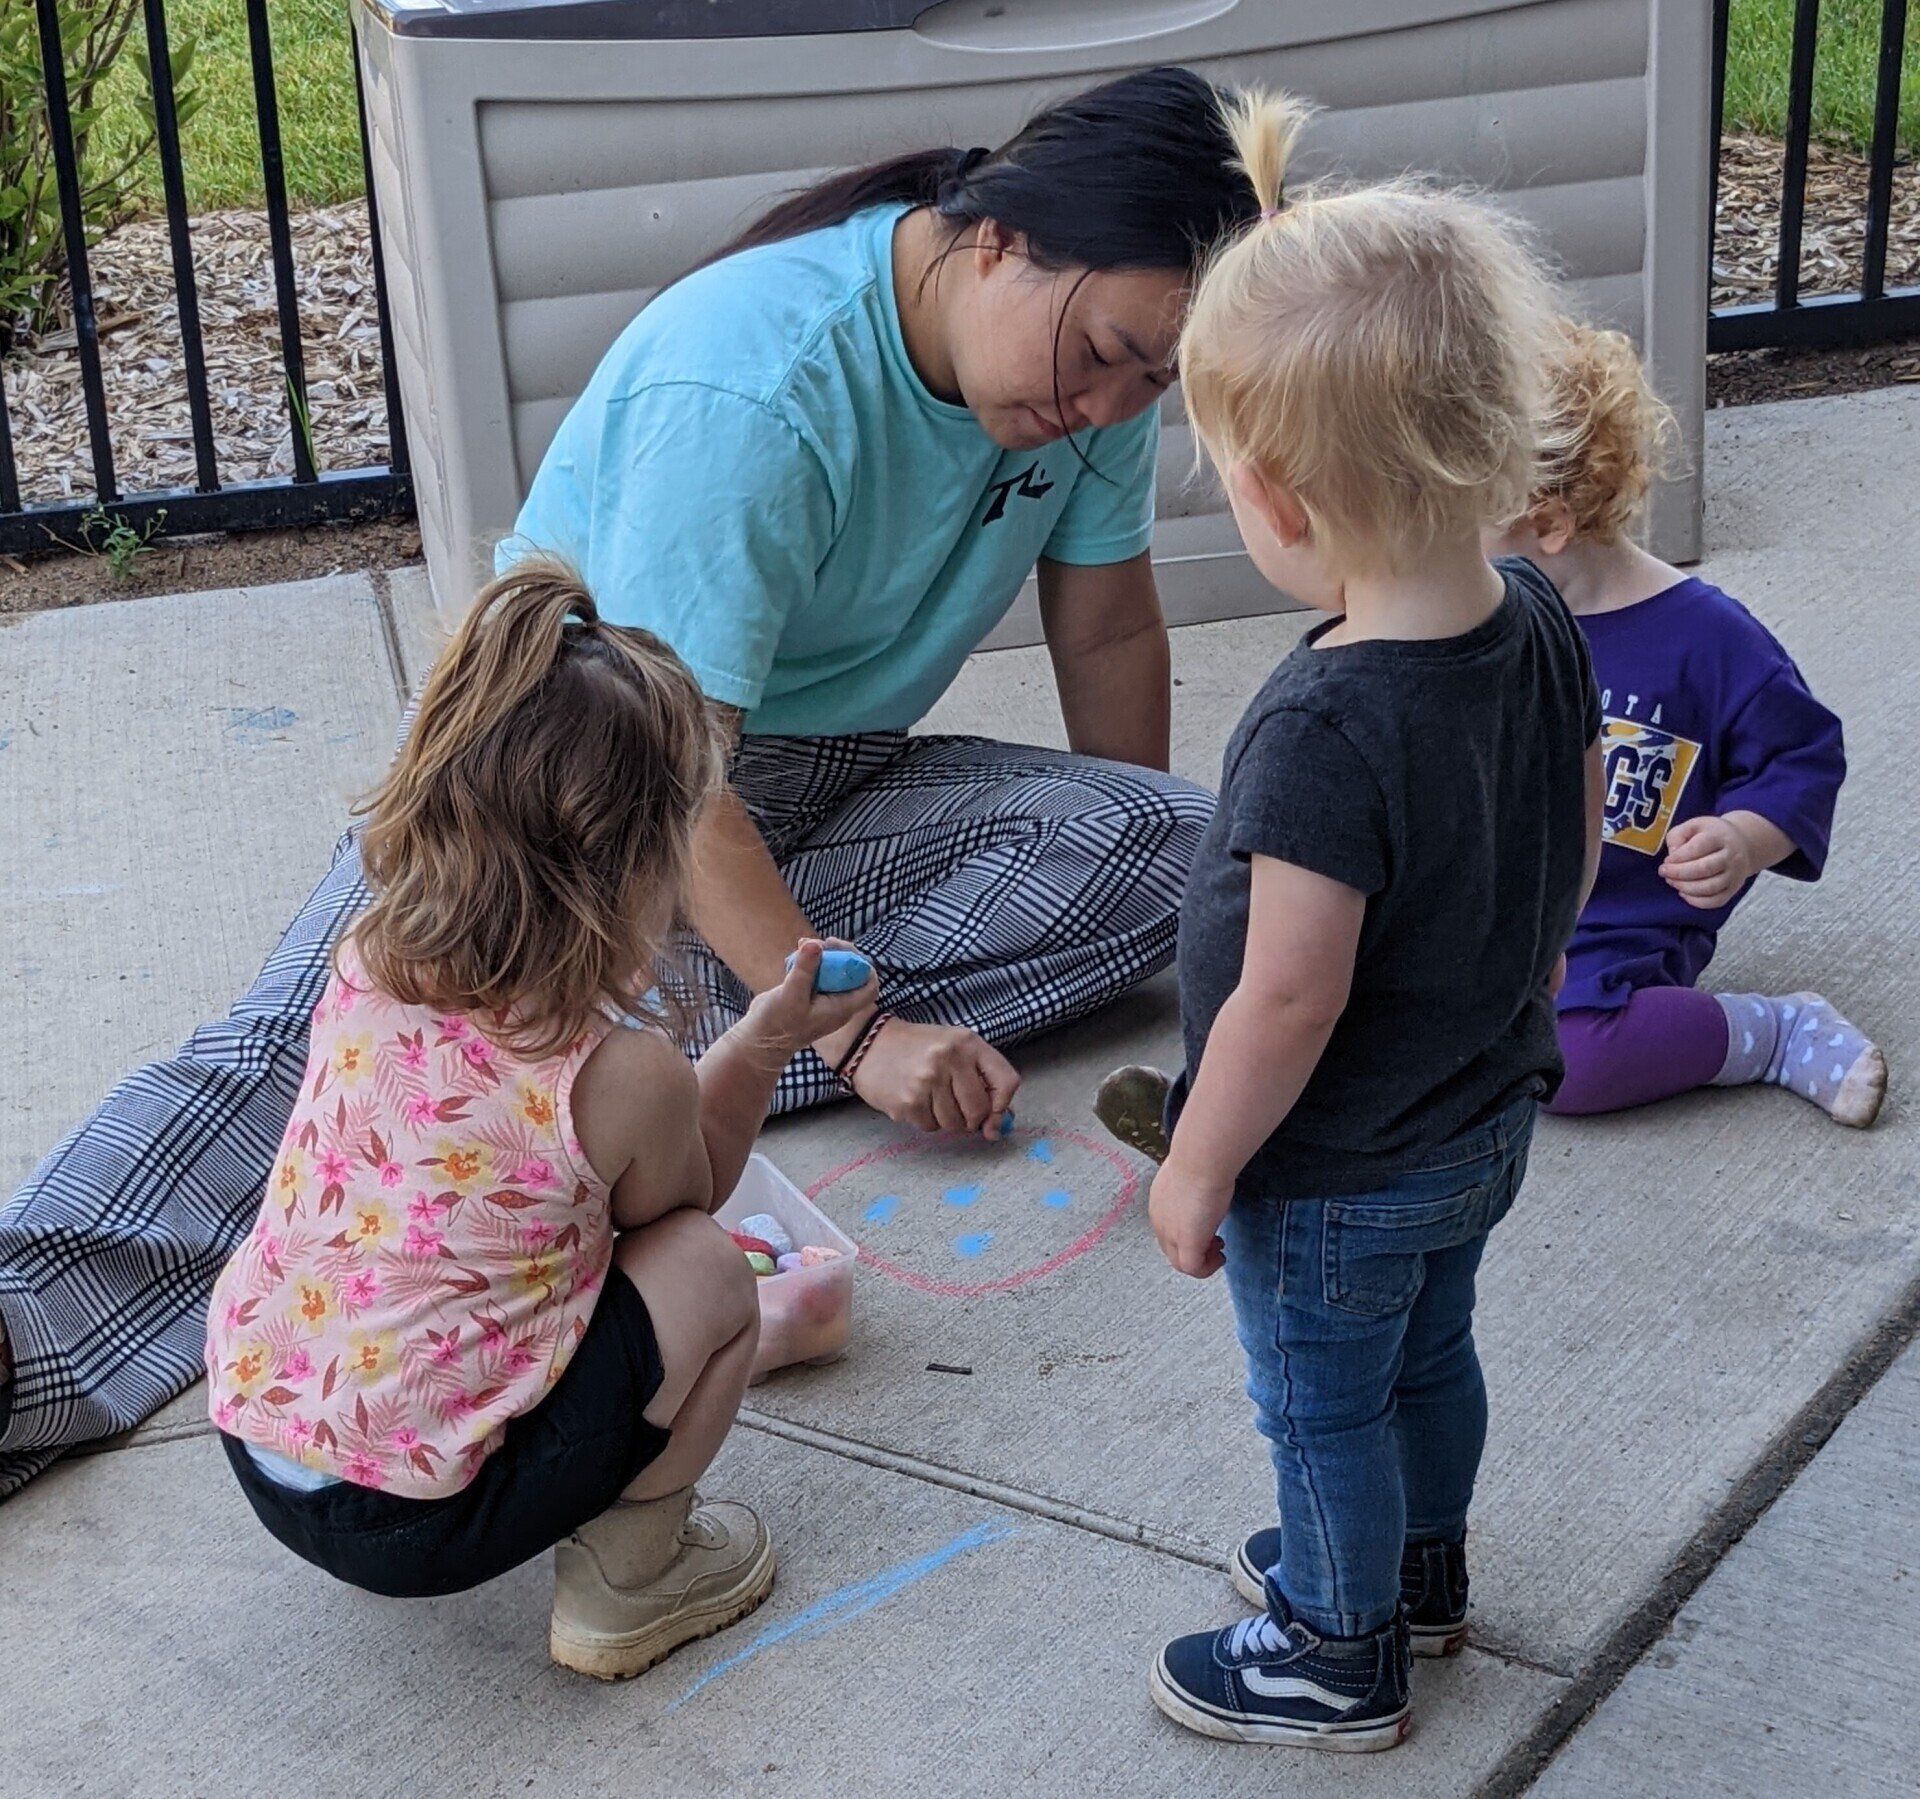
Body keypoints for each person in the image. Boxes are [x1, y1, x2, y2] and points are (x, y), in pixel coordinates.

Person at [0, 64, 1276, 1495]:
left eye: (1151, 380)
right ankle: (19, 1343)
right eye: (1103, 349)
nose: (1112, 400)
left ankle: (602, 1105)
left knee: (1180, 845)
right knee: (309, 1054)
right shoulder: (759, 384)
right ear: (998, 238)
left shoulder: (1079, 390)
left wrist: (1180, 918)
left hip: (811, 775)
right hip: (565, 787)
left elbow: (1106, 623)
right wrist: (859, 1036)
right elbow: (678, 786)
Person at [1098, 111, 1601, 1751]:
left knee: (1321, 1403)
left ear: (1277, 498)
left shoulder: (1325, 724)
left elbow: (1286, 994)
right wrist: (1520, 978)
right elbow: (1578, 831)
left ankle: (1335, 1638)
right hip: (1481, 1112)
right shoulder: (1534, 620)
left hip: (1340, 1165)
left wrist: (1195, 1164)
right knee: (1429, 1352)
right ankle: (1417, 1566)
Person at [205, 560, 872, 1677]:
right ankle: (631, 1580)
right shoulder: (620, 1071)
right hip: (412, 1525)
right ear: (637, 866)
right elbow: (686, 1205)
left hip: (261, 1443)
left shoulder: (372, 953)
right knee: (708, 1266)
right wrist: (761, 1040)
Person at [1486, 321, 1882, 1125]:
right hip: (1492, 915)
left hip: (1610, 934)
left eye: (1461, 529)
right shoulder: (1483, 619)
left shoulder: (1710, 641)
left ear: (1549, 523)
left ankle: (1769, 1033)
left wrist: (1742, 838)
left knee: (1576, 1067)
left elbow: (1804, 756)